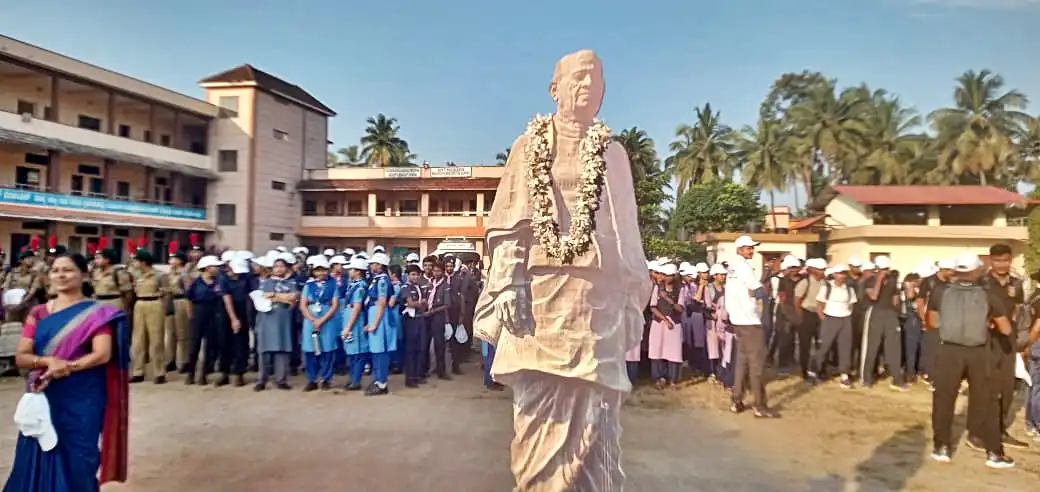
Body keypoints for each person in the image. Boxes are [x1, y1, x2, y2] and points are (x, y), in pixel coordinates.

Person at [474, 49, 650, 491]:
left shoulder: (613, 154)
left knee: (599, 418)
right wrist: (511, 282)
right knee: (537, 419)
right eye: (578, 76)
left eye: (597, 78)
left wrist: (631, 301)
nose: (589, 84)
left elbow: (627, 237)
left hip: (597, 308)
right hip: (540, 303)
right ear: (555, 89)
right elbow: (509, 224)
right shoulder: (527, 145)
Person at [3, 253, 130, 491]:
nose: (61, 275)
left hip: (83, 395)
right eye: (56, 270)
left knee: (79, 456)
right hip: (44, 391)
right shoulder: (38, 312)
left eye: (68, 270)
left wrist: (67, 367)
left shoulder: (98, 313)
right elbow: (22, 355)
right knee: (38, 448)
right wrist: (48, 361)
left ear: (83, 274)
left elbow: (102, 354)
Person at [928, 252, 1014, 468]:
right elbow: (1006, 328)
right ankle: (994, 453)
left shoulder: (940, 291)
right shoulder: (988, 294)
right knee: (988, 403)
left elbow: (933, 322)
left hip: (949, 351)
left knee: (943, 400)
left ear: (957, 270)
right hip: (978, 351)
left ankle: (941, 448)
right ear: (976, 271)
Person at [973, 243, 1030, 449]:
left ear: (1010, 260)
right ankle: (977, 432)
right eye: (997, 260)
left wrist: (1020, 340)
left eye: (1005, 260)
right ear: (990, 260)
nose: (1001, 264)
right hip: (986, 340)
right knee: (984, 387)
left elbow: (1017, 310)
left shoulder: (1016, 283)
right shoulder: (982, 282)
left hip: (1008, 340)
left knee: (1007, 387)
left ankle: (999, 430)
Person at [725, 236, 779, 418]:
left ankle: (736, 400)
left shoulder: (732, 268)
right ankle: (759, 405)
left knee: (742, 362)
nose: (751, 251)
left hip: (738, 320)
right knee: (757, 364)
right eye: (748, 248)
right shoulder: (744, 268)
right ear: (739, 249)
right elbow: (758, 291)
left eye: (752, 248)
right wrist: (763, 289)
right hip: (750, 321)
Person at [861, 255, 908, 391]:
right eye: (882, 269)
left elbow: (895, 299)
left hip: (890, 314)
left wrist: (898, 313)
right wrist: (879, 281)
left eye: (886, 269)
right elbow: (873, 296)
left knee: (894, 346)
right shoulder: (869, 281)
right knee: (872, 346)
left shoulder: (893, 281)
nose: (884, 272)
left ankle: (896, 379)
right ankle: (867, 377)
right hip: (875, 312)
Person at [808, 264, 857, 388]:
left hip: (845, 318)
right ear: (834, 274)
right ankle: (813, 372)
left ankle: (844, 375)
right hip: (830, 318)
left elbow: (851, 304)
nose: (842, 276)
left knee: (845, 348)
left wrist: (846, 315)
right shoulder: (827, 287)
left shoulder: (849, 288)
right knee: (824, 346)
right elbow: (819, 305)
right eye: (840, 273)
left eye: (844, 273)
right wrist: (824, 319)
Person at [255, 254, 297, 391]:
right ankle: (262, 379)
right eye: (276, 266)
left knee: (282, 349)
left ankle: (281, 379)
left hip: (283, 318)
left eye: (282, 266)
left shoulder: (291, 282)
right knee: (264, 350)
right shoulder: (266, 282)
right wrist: (284, 298)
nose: (279, 269)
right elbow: (264, 298)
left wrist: (275, 295)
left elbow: (293, 298)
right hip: (267, 317)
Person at [184, 256, 225, 386]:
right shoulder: (196, 283)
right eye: (215, 266)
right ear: (207, 268)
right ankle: (190, 373)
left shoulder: (218, 282)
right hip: (199, 312)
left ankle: (204, 373)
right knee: (194, 344)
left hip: (213, 313)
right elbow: (188, 299)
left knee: (210, 345)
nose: (217, 269)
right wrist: (191, 315)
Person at [300, 256, 339, 391]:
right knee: (310, 350)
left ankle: (326, 378)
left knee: (327, 350)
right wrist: (312, 319)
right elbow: (303, 305)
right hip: (310, 320)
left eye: (324, 270)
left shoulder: (333, 284)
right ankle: (312, 379)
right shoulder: (308, 285)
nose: (321, 273)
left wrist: (322, 320)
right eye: (318, 270)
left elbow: (335, 305)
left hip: (327, 320)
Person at [130, 247, 166, 385]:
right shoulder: (136, 275)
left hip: (154, 304)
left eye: (136, 261)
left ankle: (159, 372)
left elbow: (166, 292)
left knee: (156, 339)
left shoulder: (159, 275)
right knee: (138, 340)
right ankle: (138, 371)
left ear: (143, 262)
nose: (134, 264)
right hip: (140, 304)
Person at [648, 263, 684, 388]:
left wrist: (668, 299)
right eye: (665, 275)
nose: (666, 278)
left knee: (673, 352)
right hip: (659, 322)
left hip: (674, 323)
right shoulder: (657, 288)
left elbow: (680, 308)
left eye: (669, 276)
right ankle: (659, 377)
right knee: (657, 351)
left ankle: (673, 378)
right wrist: (664, 319)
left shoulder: (680, 290)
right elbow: (653, 307)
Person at [218, 258, 252, 387]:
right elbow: (227, 299)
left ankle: (239, 373)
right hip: (226, 312)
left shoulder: (246, 278)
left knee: (241, 344)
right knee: (224, 342)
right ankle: (224, 372)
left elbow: (251, 294)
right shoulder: (224, 279)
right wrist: (233, 319)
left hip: (243, 311)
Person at [364, 252, 394, 396]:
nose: (371, 266)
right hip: (375, 315)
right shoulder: (376, 279)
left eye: (373, 264)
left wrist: (374, 324)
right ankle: (377, 380)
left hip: (379, 317)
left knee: (380, 351)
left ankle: (382, 383)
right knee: (375, 351)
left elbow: (381, 303)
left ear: (380, 265)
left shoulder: (382, 280)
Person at [340, 257, 370, 390]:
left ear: (358, 271)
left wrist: (348, 327)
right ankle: (352, 377)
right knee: (351, 351)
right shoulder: (353, 284)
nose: (349, 272)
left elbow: (357, 307)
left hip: (355, 320)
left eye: (351, 269)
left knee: (357, 352)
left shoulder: (360, 286)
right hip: (349, 316)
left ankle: (356, 380)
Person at [163, 244, 192, 374]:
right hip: (170, 301)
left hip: (181, 301)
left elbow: (189, 291)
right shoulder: (168, 274)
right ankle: (171, 360)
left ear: (180, 261)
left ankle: (185, 360)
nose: (171, 261)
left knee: (182, 333)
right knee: (170, 333)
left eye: (174, 258)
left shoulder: (184, 274)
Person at [400, 264, 428, 388]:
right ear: (408, 275)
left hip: (420, 318)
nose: (415, 276)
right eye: (413, 274)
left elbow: (425, 303)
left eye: (417, 274)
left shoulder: (419, 287)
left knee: (420, 348)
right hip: (410, 320)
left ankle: (417, 375)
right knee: (410, 349)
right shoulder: (405, 287)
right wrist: (419, 303)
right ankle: (410, 378)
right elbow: (410, 304)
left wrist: (420, 304)